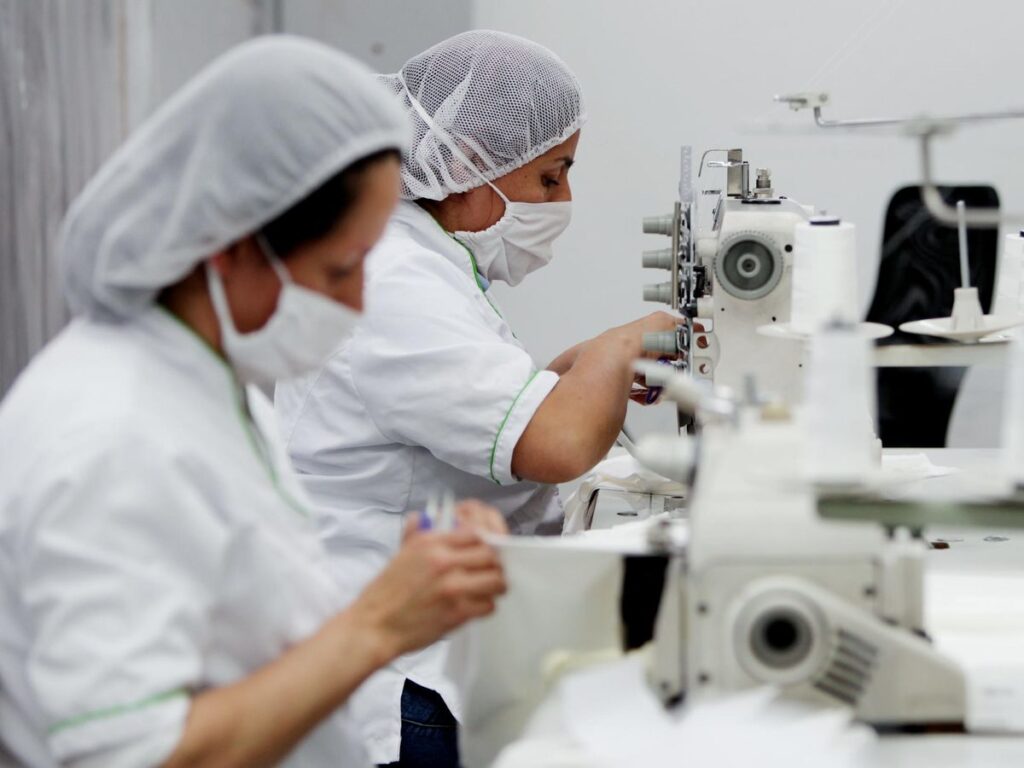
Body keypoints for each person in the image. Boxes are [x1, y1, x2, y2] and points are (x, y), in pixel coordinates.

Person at [0, 36, 508, 768]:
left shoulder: (209, 390)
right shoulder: (111, 437)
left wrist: (415, 576)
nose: (358, 304)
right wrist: (378, 623)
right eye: (340, 271)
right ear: (232, 247)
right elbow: (133, 754)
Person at [274, 29, 679, 767]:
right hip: (404, 679)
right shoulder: (394, 282)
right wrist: (619, 348)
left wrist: (585, 370)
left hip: (425, 639)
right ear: (465, 166)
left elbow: (479, 411)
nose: (563, 201)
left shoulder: (422, 264)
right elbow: (556, 445)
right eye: (551, 177)